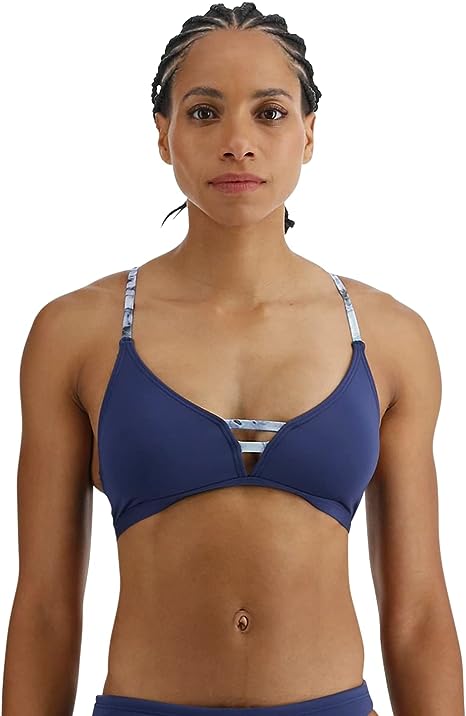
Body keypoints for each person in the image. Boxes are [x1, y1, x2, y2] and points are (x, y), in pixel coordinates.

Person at [2, 3, 463, 716]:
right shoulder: (76, 332)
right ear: (164, 134)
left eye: (270, 114)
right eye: (205, 112)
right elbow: (44, 610)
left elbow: (419, 613)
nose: (238, 143)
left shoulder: (389, 336)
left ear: (309, 133)